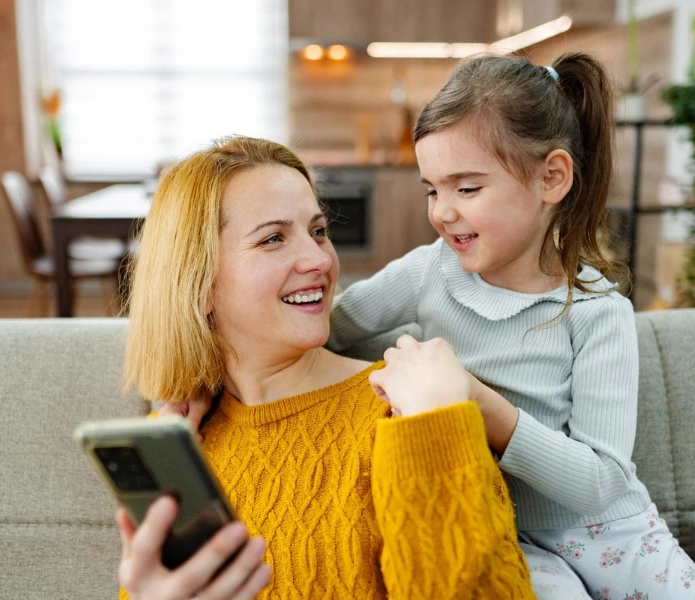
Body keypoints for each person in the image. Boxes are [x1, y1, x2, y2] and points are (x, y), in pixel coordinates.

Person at [166, 53, 695, 600]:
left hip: (607, 532)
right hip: (511, 534)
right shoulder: (427, 274)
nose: (443, 212)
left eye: (466, 188)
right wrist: (211, 375)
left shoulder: (596, 311)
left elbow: (598, 482)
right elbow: (322, 333)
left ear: (551, 178)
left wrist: (480, 404)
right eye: (431, 190)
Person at [116, 135, 535, 600]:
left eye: (318, 231)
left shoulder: (410, 413)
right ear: (196, 280)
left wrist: (435, 433)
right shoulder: (176, 442)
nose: (320, 260)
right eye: (273, 239)